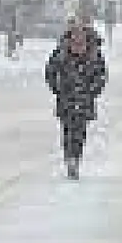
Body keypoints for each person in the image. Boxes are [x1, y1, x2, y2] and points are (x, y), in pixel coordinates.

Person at [46, 16, 108, 179]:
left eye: (80, 33)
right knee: (67, 130)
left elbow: (101, 75)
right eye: (74, 33)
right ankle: (69, 159)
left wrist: (93, 90)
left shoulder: (94, 54)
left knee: (80, 131)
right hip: (66, 98)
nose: (77, 37)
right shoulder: (61, 53)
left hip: (85, 98)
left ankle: (76, 158)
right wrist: (57, 88)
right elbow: (51, 71)